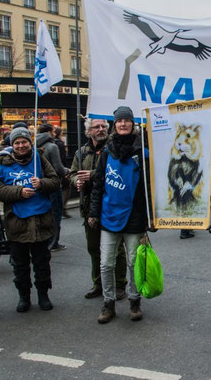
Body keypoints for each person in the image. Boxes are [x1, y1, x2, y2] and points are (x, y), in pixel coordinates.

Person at [88, 106, 150, 324]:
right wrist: (93, 212)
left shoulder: (142, 150)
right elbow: (98, 183)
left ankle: (134, 300)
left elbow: (149, 186)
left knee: (134, 262)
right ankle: (108, 303)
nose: (123, 124)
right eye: (119, 121)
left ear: (133, 124)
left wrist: (150, 218)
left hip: (134, 216)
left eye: (127, 120)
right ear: (115, 125)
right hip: (108, 216)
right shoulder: (107, 150)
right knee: (106, 263)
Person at [0, 127, 60, 312]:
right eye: (17, 143)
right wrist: (19, 192)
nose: (21, 145)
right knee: (20, 264)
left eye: (24, 142)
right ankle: (24, 296)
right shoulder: (4, 164)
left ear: (30, 143)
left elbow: (55, 181)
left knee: (42, 262)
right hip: (17, 222)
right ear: (12, 145)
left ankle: (43, 295)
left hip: (40, 220)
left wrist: (41, 184)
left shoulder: (40, 159)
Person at [69, 118, 128, 300]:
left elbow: (118, 172)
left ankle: (119, 284)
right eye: (96, 127)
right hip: (89, 207)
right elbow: (73, 173)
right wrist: (76, 181)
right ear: (89, 131)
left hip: (111, 205)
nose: (101, 129)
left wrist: (92, 175)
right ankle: (98, 283)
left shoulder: (114, 149)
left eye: (103, 126)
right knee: (94, 248)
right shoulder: (82, 152)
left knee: (116, 249)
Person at [37, 123, 70, 251]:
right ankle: (54, 241)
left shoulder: (34, 145)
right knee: (56, 214)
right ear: (50, 132)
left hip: (39, 184)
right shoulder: (52, 146)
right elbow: (58, 168)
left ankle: (44, 239)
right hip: (53, 184)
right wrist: (68, 171)